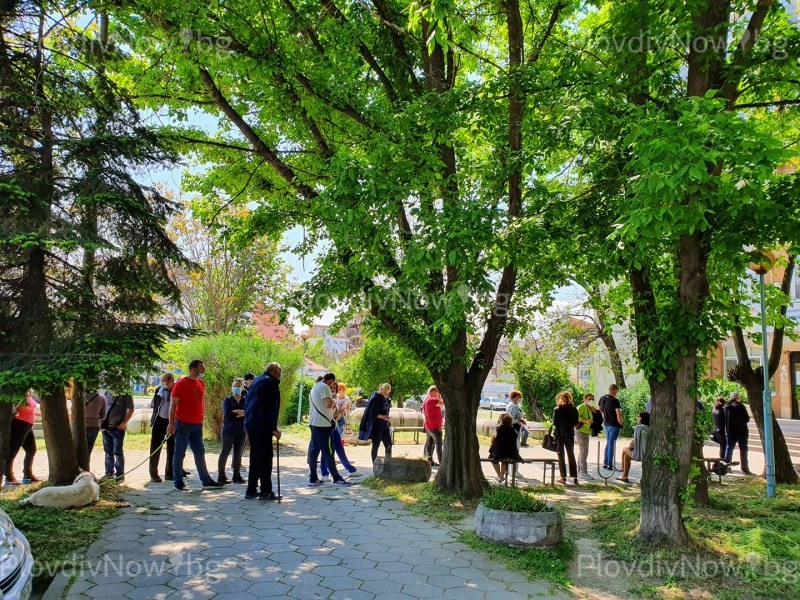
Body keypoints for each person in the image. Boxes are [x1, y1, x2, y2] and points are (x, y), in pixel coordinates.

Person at [168, 360, 223, 491]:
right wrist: (171, 423)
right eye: (202, 368)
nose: (204, 371)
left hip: (197, 425)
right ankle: (178, 482)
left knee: (200, 452)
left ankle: (206, 480)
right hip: (182, 423)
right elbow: (173, 404)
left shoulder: (200, 383)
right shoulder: (181, 383)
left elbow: (201, 402)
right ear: (193, 369)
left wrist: (201, 419)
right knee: (179, 453)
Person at [244, 363, 283, 499]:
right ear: (273, 371)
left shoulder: (257, 381)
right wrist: (273, 429)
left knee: (255, 458)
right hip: (262, 426)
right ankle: (266, 490)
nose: (280, 373)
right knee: (265, 458)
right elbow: (271, 408)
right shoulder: (271, 383)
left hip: (251, 424)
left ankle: (251, 489)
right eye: (279, 370)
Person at [307, 373, 352, 487]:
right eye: (332, 383)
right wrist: (334, 402)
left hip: (314, 423)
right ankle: (336, 478)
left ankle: (313, 478)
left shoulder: (315, 386)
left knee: (314, 450)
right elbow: (328, 404)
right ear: (330, 380)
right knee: (329, 451)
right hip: (323, 425)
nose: (333, 386)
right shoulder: (324, 387)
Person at [318, 378, 357, 480]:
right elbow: (329, 414)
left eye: (335, 388)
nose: (334, 390)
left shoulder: (334, 398)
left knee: (339, 447)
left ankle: (351, 469)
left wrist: (340, 413)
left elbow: (337, 413)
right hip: (327, 426)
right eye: (333, 388)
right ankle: (325, 473)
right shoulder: (326, 398)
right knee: (327, 450)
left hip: (335, 426)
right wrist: (338, 413)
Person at [5, 389, 40, 485]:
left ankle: (28, 476)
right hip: (19, 424)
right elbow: (13, 408)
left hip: (28, 425)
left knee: (31, 449)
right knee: (13, 451)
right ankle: (9, 479)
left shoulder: (29, 392)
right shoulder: (18, 392)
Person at [100, 392, 135, 483]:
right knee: (108, 452)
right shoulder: (106, 392)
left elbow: (131, 409)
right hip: (106, 428)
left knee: (118, 452)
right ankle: (109, 474)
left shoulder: (125, 393)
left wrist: (123, 423)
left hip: (118, 428)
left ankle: (120, 475)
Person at [218, 378, 247, 484]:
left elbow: (249, 412)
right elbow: (228, 415)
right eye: (234, 385)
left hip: (241, 430)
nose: (236, 388)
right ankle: (221, 476)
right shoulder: (228, 400)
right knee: (225, 451)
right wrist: (241, 413)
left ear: (242, 388)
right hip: (228, 430)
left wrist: (239, 412)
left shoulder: (245, 400)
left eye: (238, 386)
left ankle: (237, 475)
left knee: (238, 453)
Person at [149, 373, 176, 482]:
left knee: (172, 448)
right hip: (159, 420)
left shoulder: (176, 389)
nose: (162, 383)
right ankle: (153, 474)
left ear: (171, 381)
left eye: (164, 381)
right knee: (155, 447)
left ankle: (169, 473)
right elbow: (154, 405)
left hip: (172, 422)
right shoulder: (159, 390)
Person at [552, 390, 580, 485]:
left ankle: (563, 477)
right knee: (571, 456)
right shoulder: (574, 409)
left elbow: (555, 423)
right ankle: (574, 477)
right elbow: (575, 422)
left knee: (561, 457)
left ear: (560, 399)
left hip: (559, 435)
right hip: (569, 435)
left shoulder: (557, 409)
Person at [361, 383, 393, 463]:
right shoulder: (375, 398)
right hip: (377, 426)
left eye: (387, 392)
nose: (386, 394)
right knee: (376, 445)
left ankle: (388, 462)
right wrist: (383, 417)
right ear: (381, 389)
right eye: (385, 392)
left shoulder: (385, 399)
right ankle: (375, 463)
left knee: (389, 444)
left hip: (385, 425)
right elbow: (372, 414)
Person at [488, 413, 523, 484]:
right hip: (512, 453)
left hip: (499, 453)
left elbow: (492, 440)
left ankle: (500, 476)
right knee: (505, 460)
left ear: (501, 420)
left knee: (492, 458)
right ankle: (501, 476)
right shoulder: (513, 430)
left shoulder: (497, 429)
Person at [619, 412, 650, 482]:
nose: (637, 418)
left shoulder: (638, 427)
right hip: (647, 453)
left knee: (624, 449)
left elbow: (636, 441)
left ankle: (622, 468)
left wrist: (632, 444)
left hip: (640, 454)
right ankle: (624, 476)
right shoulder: (648, 428)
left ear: (642, 418)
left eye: (638, 417)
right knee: (626, 457)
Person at [725, 392, 751, 474]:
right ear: (737, 398)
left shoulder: (726, 407)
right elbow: (747, 418)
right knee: (743, 449)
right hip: (741, 431)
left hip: (730, 431)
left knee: (729, 448)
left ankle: (726, 467)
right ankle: (744, 468)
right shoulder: (740, 406)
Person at [599, 384, 623, 470]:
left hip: (606, 423)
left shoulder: (602, 398)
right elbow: (618, 413)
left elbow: (599, 409)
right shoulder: (615, 400)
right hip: (614, 424)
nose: (616, 393)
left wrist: (606, 414)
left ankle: (605, 462)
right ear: (614, 390)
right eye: (616, 391)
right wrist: (621, 423)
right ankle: (610, 464)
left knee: (608, 443)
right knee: (612, 444)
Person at [422, 386, 444, 466]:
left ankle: (429, 461)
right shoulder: (433, 399)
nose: (438, 394)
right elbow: (444, 404)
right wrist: (440, 398)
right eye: (438, 392)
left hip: (428, 426)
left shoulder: (426, 399)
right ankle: (441, 462)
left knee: (429, 443)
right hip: (434, 426)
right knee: (438, 444)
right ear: (433, 392)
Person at [576, 393, 596, 480]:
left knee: (583, 451)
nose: (591, 401)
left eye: (592, 399)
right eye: (589, 399)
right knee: (584, 451)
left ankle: (580, 471)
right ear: (585, 399)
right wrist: (585, 421)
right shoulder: (581, 407)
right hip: (581, 431)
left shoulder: (590, 408)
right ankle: (583, 472)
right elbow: (576, 417)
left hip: (586, 432)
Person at [84, 389, 106, 462]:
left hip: (80, 425)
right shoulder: (101, 398)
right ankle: (86, 467)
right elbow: (103, 416)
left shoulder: (80, 397)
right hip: (93, 426)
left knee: (78, 449)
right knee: (88, 450)